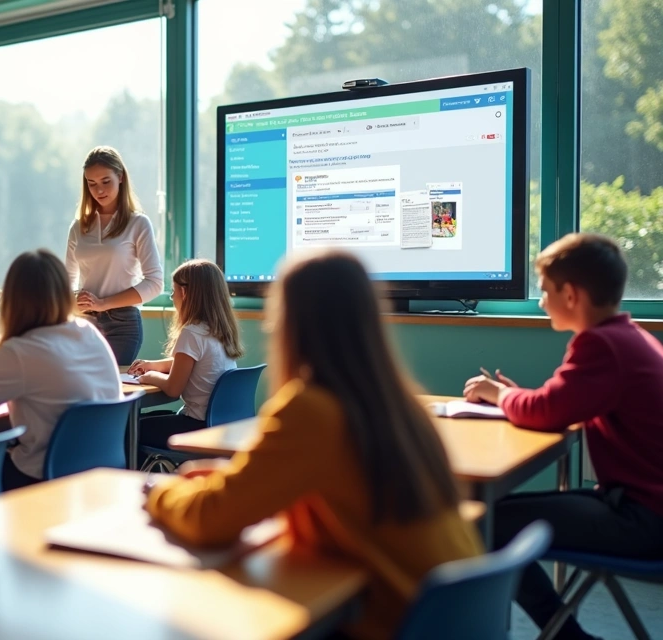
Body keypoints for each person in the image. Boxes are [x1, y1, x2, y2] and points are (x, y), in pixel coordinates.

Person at [147, 250, 481, 640]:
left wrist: (160, 489)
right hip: (453, 617)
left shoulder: (311, 410)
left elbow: (209, 520)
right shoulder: (401, 405)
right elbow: (339, 493)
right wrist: (238, 482)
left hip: (397, 624)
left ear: (292, 323)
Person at [464, 233, 663, 640]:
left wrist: (500, 395)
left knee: (483, 525)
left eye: (544, 291)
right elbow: (559, 405)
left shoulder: (600, 344)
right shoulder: (629, 336)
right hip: (642, 506)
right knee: (492, 518)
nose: (540, 302)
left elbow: (545, 411)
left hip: (644, 520)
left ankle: (566, 637)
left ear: (570, 294)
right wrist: (518, 398)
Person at [0, 249, 122, 490]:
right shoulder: (89, 332)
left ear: (13, 299)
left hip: (46, 474)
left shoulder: (21, 349)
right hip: (102, 470)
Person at [129, 259, 242, 448]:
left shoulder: (191, 332)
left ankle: (143, 476)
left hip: (196, 426)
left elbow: (173, 389)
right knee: (144, 421)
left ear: (184, 292)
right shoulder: (219, 331)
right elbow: (194, 364)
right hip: (219, 423)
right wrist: (154, 364)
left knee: (129, 428)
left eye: (173, 291)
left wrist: (150, 376)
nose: (172, 298)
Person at [65, 145, 163, 365]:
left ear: (120, 177)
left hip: (123, 324)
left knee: (111, 391)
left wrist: (103, 303)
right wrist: (75, 301)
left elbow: (155, 283)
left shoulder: (138, 223)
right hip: (84, 322)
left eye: (105, 182)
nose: (99, 190)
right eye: (92, 184)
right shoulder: (78, 227)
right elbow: (65, 283)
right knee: (82, 389)